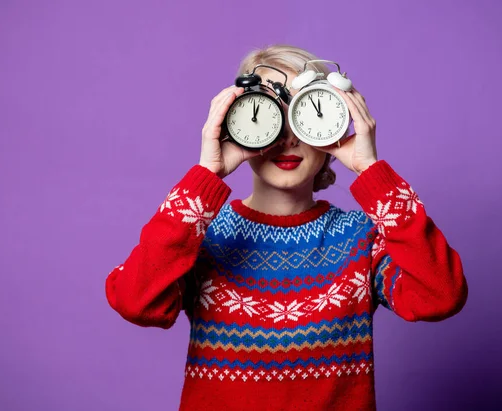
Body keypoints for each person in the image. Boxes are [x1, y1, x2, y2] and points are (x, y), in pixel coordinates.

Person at [105, 44, 468, 411]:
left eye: (304, 114)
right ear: (236, 124)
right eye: (268, 116)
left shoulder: (361, 239)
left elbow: (441, 296)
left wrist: (371, 171)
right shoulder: (202, 236)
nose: (289, 138)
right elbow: (137, 303)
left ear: (333, 125)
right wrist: (205, 175)